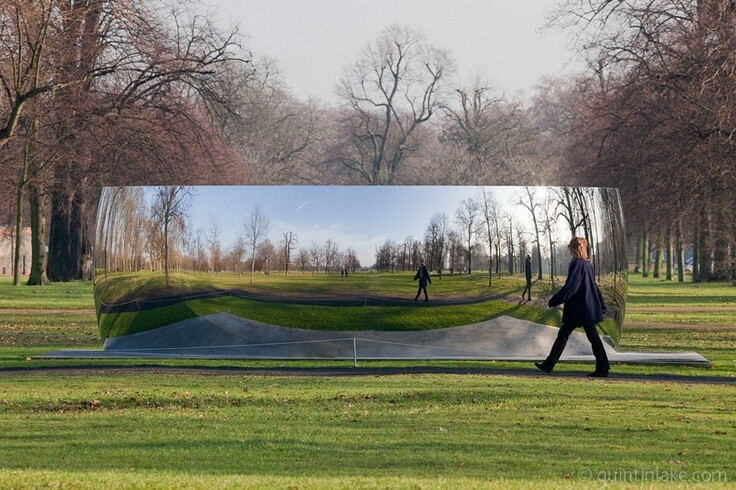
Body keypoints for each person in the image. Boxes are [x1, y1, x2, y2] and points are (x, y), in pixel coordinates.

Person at [535, 237, 610, 377]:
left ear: (573, 248)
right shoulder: (587, 264)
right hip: (586, 308)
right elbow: (593, 287)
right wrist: (600, 304)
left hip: (579, 309)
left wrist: (554, 300)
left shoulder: (576, 264)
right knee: (591, 337)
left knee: (564, 335)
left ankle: (549, 364)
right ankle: (603, 367)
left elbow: (571, 287)